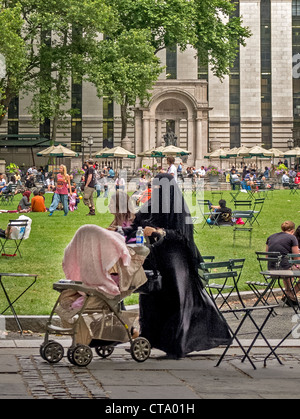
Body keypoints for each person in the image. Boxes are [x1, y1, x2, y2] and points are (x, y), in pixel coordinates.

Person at [123, 173, 231, 359]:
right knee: (150, 299)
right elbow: (135, 224)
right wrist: (120, 230)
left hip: (175, 261)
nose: (155, 191)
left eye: (158, 188)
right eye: (154, 188)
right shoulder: (150, 206)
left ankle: (176, 343)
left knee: (175, 300)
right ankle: (148, 338)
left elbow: (182, 234)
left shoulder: (179, 208)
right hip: (154, 258)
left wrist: (160, 231)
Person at [266, 220, 300, 306]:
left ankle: (288, 294)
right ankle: (291, 294)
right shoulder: (292, 238)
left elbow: (267, 256)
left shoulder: (271, 237)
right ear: (292, 231)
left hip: (271, 269)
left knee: (285, 266)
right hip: (285, 270)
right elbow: (296, 258)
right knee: (288, 268)